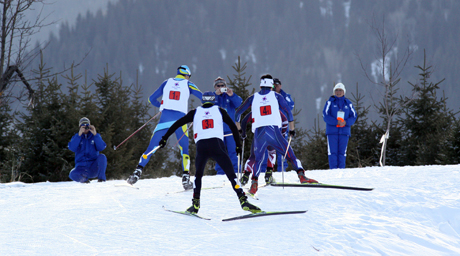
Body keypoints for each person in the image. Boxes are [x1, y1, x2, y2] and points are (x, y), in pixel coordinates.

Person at [158, 91, 261, 214]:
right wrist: (238, 145)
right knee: (231, 176)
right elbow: (233, 127)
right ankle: (243, 200)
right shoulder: (220, 110)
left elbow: (177, 124)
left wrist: (164, 138)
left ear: (202, 100)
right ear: (213, 100)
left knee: (198, 176)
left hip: (202, 147)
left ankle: (195, 204)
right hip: (217, 145)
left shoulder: (195, 112)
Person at [235, 74, 318, 194]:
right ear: (271, 86)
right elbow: (288, 112)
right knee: (289, 154)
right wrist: (292, 129)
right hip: (274, 131)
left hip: (259, 133)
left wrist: (239, 129)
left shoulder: (253, 98)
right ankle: (301, 175)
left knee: (257, 159)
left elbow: (238, 113)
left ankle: (254, 184)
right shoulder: (276, 96)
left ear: (260, 84)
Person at [127, 65, 202, 190]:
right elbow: (202, 97)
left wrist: (161, 104)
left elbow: (151, 99)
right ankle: (185, 179)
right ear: (187, 74)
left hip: (164, 120)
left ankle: (136, 173)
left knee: (151, 148)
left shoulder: (166, 83)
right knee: (184, 150)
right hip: (180, 121)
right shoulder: (189, 84)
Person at [239, 110, 288, 186]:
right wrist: (283, 134)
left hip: (259, 135)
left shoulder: (257, 109)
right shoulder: (274, 109)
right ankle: (268, 175)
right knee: (272, 152)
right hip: (271, 134)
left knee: (254, 156)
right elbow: (285, 121)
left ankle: (245, 176)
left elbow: (244, 121)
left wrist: (243, 133)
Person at [322, 83, 357, 169]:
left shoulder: (348, 103)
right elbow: (325, 116)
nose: (338, 92)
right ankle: (333, 170)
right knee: (332, 152)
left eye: (340, 90)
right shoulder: (329, 102)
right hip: (332, 132)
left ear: (344, 92)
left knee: (342, 153)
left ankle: (341, 170)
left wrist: (346, 122)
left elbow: (354, 116)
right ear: (334, 92)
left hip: (344, 132)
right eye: (336, 90)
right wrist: (336, 122)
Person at [212, 76, 242, 174]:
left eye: (222, 85)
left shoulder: (230, 96)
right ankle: (221, 172)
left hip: (230, 129)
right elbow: (205, 104)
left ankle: (236, 171)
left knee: (233, 151)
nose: (220, 87)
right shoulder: (212, 96)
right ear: (215, 87)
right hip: (217, 130)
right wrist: (215, 95)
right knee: (219, 152)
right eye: (218, 86)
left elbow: (239, 103)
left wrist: (232, 95)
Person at [267, 78, 294, 175]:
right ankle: (268, 170)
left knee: (283, 147)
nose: (275, 87)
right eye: (273, 85)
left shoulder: (285, 96)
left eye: (277, 85)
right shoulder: (268, 96)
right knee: (269, 148)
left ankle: (282, 169)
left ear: (280, 86)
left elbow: (290, 107)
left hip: (283, 125)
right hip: (271, 125)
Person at [68, 117, 107, 183]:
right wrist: (79, 135)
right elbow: (72, 148)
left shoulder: (94, 136)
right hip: (81, 168)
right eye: (83, 126)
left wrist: (95, 134)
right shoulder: (76, 137)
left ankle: (101, 179)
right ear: (80, 127)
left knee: (102, 157)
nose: (85, 128)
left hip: (93, 167)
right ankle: (84, 180)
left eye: (87, 126)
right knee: (72, 174)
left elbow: (102, 147)